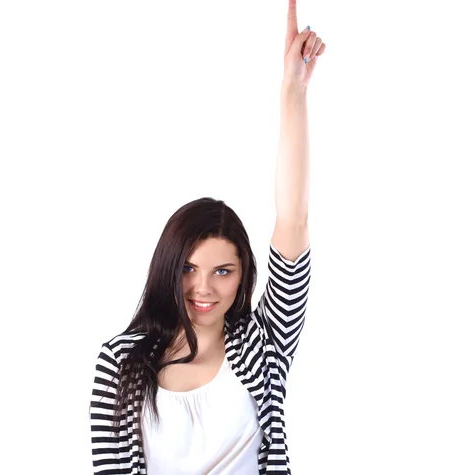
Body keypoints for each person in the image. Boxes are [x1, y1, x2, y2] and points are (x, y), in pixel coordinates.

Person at [89, 1, 326, 473]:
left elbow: (293, 220)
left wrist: (292, 94)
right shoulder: (121, 362)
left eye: (223, 271)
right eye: (189, 268)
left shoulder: (264, 344)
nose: (203, 288)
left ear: (242, 277)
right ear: (167, 268)